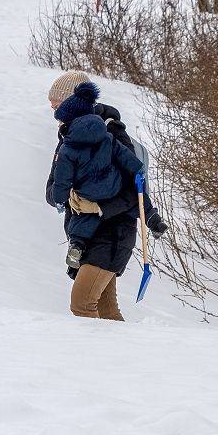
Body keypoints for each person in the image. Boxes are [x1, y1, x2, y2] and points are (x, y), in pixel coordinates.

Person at [43, 71, 166, 320]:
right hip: (83, 235)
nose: (52, 106)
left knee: (82, 303)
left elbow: (136, 191)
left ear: (73, 100)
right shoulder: (68, 136)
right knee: (106, 309)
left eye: (56, 100)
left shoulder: (112, 133)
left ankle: (91, 357)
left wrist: (98, 207)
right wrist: (69, 198)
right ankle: (119, 355)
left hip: (112, 234)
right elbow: (52, 190)